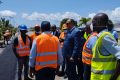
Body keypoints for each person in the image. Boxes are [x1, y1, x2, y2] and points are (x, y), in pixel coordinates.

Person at [86, 13, 120, 80]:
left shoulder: (105, 37)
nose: (91, 25)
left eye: (93, 22)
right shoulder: (100, 37)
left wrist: (114, 78)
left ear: (99, 23)